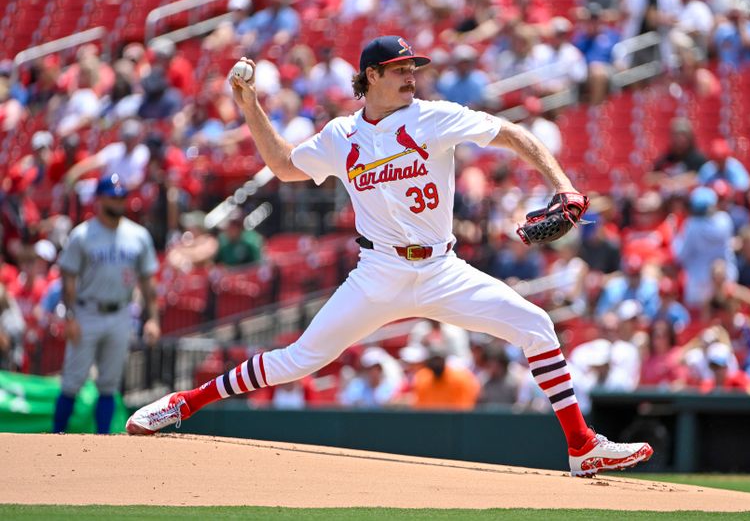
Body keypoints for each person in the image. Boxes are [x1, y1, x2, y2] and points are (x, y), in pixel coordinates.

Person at [127, 35, 653, 476]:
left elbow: (512, 134)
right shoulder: (343, 135)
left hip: (441, 268)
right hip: (378, 270)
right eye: (400, 69)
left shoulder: (434, 118)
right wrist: (250, 105)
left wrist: (562, 184)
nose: (411, 76)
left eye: (413, 68)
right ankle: (183, 403)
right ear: (371, 75)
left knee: (537, 326)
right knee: (299, 360)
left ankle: (581, 448)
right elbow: (286, 166)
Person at [52, 174, 160, 434]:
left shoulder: (138, 235)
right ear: (99, 199)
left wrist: (154, 319)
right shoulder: (82, 235)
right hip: (87, 311)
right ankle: (55, 438)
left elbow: (148, 282)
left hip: (121, 312)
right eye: (113, 196)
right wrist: (69, 317)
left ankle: (102, 442)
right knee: (72, 382)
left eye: (121, 196)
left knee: (109, 384)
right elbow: (68, 280)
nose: (118, 201)